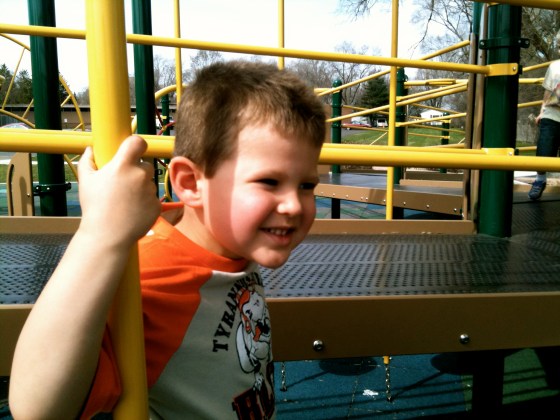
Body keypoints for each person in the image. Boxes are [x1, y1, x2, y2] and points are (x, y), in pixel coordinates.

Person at [9, 60, 326, 419]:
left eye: (307, 185)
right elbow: (37, 409)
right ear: (190, 184)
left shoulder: (234, 244)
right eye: (269, 182)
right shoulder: (152, 276)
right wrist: (100, 234)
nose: (294, 205)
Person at [528, 32, 560, 200]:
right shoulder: (554, 67)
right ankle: (540, 179)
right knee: (545, 149)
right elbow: (547, 92)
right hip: (552, 114)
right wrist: (542, 111)